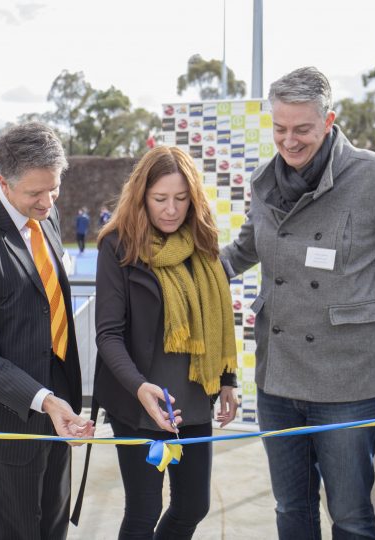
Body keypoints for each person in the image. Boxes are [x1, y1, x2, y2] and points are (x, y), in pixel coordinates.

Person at [220, 67, 375, 539]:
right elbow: (242, 251)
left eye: (302, 130)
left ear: (329, 120)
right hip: (278, 379)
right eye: (279, 129)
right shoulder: (263, 181)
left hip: (346, 384)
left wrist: (367, 330)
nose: (289, 141)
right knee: (290, 508)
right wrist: (179, 274)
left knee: (351, 515)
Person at [0, 121, 94, 539]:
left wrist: (58, 401)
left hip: (60, 407)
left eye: (54, 188)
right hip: (14, 421)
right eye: (35, 193)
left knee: (53, 527)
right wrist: (43, 401)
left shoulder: (47, 215)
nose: (47, 202)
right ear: (2, 182)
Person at [95, 145, 239, 538]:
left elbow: (218, 318)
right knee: (144, 511)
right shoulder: (117, 246)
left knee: (194, 505)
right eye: (160, 199)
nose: (171, 209)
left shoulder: (204, 244)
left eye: (181, 199)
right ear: (141, 195)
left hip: (193, 400)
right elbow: (107, 334)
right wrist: (140, 387)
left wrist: (228, 379)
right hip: (138, 402)